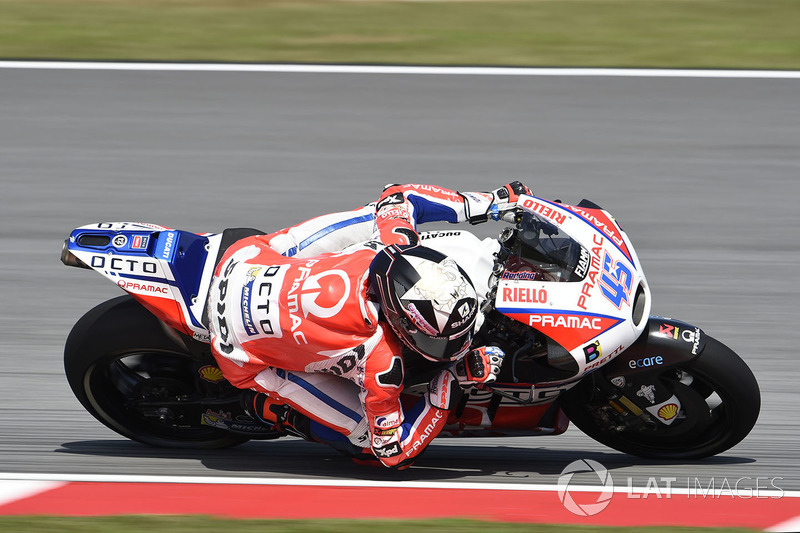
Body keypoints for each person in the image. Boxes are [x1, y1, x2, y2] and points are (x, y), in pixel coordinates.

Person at [208, 182, 532, 468]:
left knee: (374, 214)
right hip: (235, 349)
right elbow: (393, 452)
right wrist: (452, 380)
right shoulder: (383, 366)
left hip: (243, 259)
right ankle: (271, 411)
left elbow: (398, 195)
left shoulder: (393, 244)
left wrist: (490, 202)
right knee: (365, 441)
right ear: (403, 323)